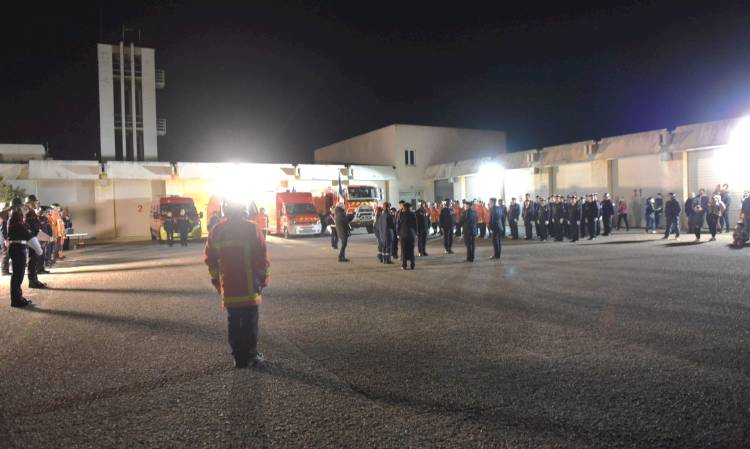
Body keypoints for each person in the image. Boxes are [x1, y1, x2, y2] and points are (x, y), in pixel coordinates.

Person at [204, 198, 270, 369]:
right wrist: (262, 281)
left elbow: (210, 260)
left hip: (230, 287)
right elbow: (262, 258)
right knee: (249, 322)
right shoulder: (251, 228)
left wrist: (218, 283)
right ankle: (251, 356)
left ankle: (238, 358)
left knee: (233, 321)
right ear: (243, 209)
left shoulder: (216, 231)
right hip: (250, 287)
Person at [7, 198, 33, 307]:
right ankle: (16, 300)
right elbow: (23, 229)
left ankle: (18, 298)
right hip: (17, 247)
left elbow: (24, 227)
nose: (23, 208)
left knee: (19, 273)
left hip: (18, 246)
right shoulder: (16, 215)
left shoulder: (16, 215)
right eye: (21, 206)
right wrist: (29, 234)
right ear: (17, 206)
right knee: (18, 274)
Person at [24, 195, 47, 289]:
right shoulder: (27, 212)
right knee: (32, 260)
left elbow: (36, 226)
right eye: (34, 202)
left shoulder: (32, 212)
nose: (36, 203)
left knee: (35, 259)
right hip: (31, 239)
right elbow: (30, 227)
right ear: (30, 202)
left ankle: (35, 279)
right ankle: (32, 281)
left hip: (35, 238)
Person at [398, 202, 417, 270]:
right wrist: (416, 233)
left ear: (404, 207)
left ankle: (404, 265)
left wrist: (398, 233)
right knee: (411, 250)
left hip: (403, 235)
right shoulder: (412, 214)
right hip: (411, 234)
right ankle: (412, 265)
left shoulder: (401, 214)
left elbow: (399, 224)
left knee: (404, 250)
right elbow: (415, 225)